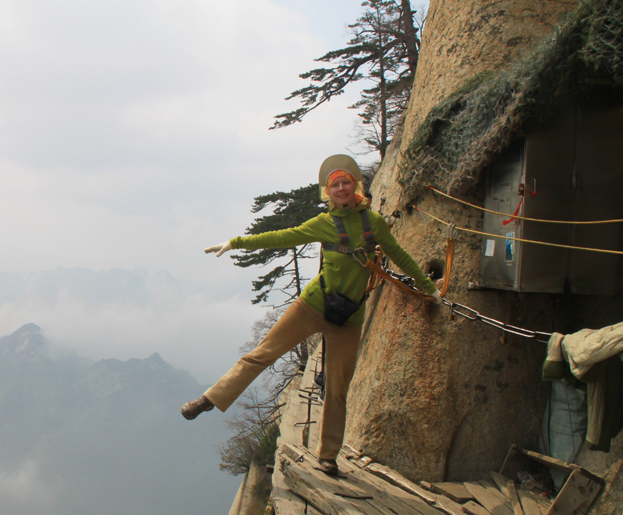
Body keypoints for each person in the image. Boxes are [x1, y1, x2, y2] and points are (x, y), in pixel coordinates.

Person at [181, 155, 440, 475]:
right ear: (328, 192)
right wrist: (236, 243)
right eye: (335, 185)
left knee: (338, 388)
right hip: (313, 305)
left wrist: (428, 287)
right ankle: (209, 400)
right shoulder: (324, 223)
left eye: (346, 182)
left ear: (355, 186)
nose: (341, 188)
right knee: (263, 354)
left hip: (349, 317)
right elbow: (281, 236)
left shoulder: (375, 223)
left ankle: (328, 456)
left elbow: (398, 254)